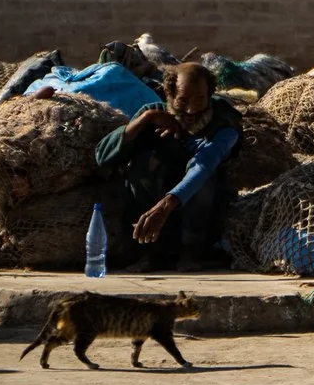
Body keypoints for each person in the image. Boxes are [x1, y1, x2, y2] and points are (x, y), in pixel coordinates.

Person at [97, 62, 244, 271]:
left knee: (204, 182)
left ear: (210, 95)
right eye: (183, 101)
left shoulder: (223, 125)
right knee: (143, 163)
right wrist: (144, 120)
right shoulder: (153, 114)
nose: (191, 109)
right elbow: (103, 157)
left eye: (199, 100)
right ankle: (149, 252)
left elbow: (202, 165)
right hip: (152, 212)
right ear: (169, 93)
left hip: (202, 215)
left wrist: (166, 205)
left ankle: (191, 252)